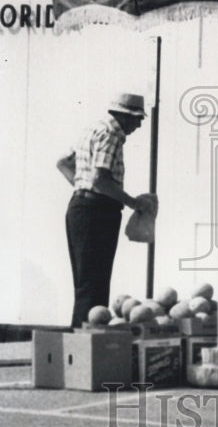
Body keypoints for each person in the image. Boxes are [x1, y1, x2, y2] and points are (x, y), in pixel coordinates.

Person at [57, 92, 150, 327]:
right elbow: (100, 179)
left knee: (85, 283)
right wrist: (133, 202)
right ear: (125, 116)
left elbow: (63, 163)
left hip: (81, 207)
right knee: (95, 285)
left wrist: (81, 185)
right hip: (98, 211)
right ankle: (86, 341)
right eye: (138, 119)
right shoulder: (111, 135)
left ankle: (79, 338)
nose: (138, 126)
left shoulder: (92, 130)